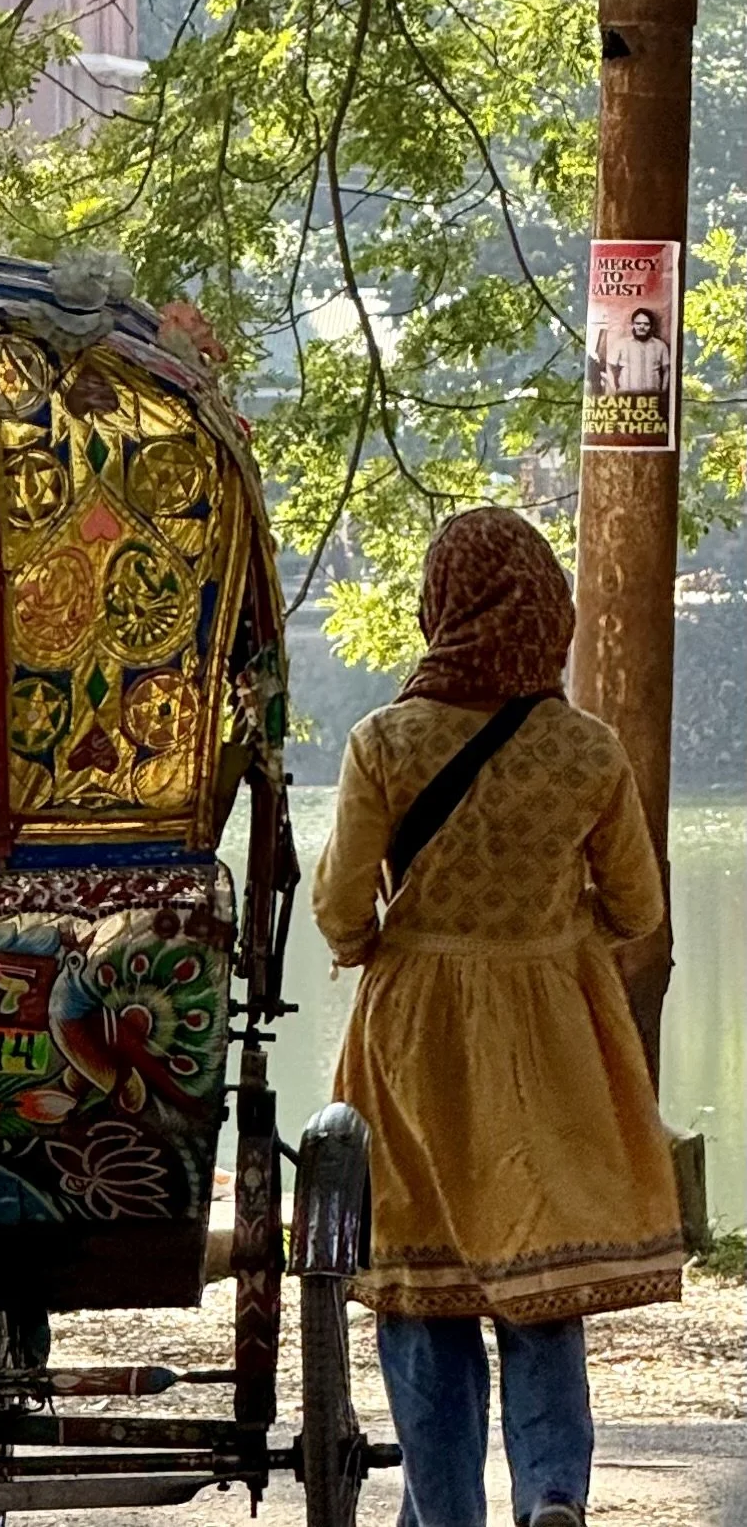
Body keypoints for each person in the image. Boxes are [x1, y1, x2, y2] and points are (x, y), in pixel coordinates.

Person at [311, 506, 686, 1527]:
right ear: (547, 609)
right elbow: (640, 912)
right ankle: (553, 1489)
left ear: (443, 605)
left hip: (416, 1027)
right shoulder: (587, 750)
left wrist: (380, 943)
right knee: (543, 1275)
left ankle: (445, 1512)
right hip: (558, 1025)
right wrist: (552, 941)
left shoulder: (385, 740)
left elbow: (343, 909)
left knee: (422, 1282)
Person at [603, 305, 669, 397]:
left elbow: (666, 370)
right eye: (638, 323)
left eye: (646, 324)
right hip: (626, 396)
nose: (642, 327)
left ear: (651, 326)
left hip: (653, 397)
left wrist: (663, 391)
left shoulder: (660, 346)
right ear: (633, 324)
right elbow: (609, 366)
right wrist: (614, 390)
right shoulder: (621, 344)